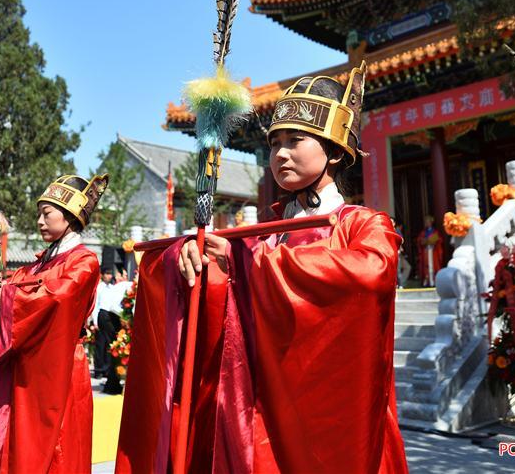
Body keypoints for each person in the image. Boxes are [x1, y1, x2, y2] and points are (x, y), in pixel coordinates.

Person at [115, 63, 408, 473]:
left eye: (296, 140)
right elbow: (229, 303)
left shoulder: (361, 224)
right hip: (252, 408)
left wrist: (252, 263)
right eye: (274, 144)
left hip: (325, 423)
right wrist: (187, 262)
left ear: (336, 151)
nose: (281, 153)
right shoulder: (263, 235)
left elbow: (368, 274)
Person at [0, 173, 108, 474]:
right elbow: (15, 288)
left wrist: (7, 298)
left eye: (46, 213)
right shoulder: (40, 262)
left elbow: (56, 298)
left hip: (62, 371)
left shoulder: (84, 262)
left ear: (69, 215)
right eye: (39, 215)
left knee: (59, 451)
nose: (40, 221)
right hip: (29, 373)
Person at [88, 265, 115, 380]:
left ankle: (106, 369)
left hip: (109, 317)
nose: (109, 276)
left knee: (108, 344)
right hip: (100, 316)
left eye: (110, 274)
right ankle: (98, 369)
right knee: (100, 344)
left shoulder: (112, 288)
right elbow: (95, 305)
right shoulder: (99, 288)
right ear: (102, 275)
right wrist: (95, 321)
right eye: (107, 274)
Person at [415, 214, 443, 286]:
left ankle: (434, 281)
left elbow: (439, 240)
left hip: (433, 251)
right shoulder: (423, 232)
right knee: (426, 266)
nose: (426, 223)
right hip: (426, 251)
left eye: (427, 222)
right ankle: (427, 282)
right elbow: (419, 240)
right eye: (425, 222)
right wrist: (422, 241)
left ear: (431, 222)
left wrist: (434, 241)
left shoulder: (435, 232)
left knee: (434, 266)